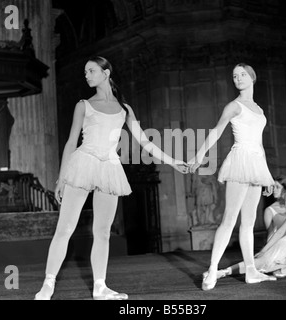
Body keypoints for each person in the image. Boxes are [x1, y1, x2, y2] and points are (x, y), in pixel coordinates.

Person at [34, 56, 188, 300]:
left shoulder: (125, 109)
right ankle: (48, 284)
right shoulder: (83, 105)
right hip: (83, 163)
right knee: (64, 229)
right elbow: (71, 142)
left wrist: (173, 161)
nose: (87, 75)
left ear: (106, 73)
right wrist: (61, 179)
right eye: (85, 71)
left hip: (109, 168)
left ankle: (100, 286)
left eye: (92, 70)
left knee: (103, 231)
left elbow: (145, 142)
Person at [188, 63, 276, 289]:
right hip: (240, 160)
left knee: (248, 222)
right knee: (229, 219)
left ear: (252, 77)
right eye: (234, 76)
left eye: (242, 75)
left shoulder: (259, 109)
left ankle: (251, 272)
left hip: (256, 163)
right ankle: (212, 271)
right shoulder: (233, 106)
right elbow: (216, 131)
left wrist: (267, 176)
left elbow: (260, 144)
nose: (237, 79)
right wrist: (200, 155)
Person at [264, 175, 286, 242]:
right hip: (280, 243)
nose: (274, 190)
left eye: (277, 187)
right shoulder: (269, 210)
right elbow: (270, 233)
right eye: (273, 187)